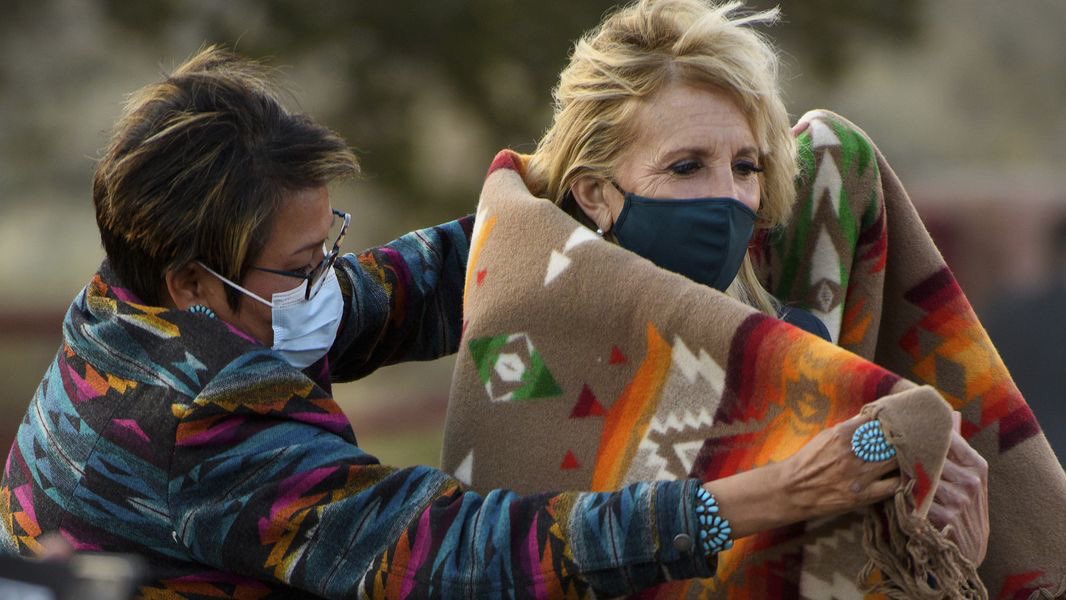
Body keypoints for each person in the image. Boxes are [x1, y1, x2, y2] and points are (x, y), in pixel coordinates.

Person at [0, 44, 899, 599]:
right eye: (305, 265)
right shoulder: (203, 420)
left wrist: (581, 209)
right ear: (195, 281)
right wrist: (757, 499)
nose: (331, 282)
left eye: (330, 246)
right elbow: (450, 556)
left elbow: (413, 286)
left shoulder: (139, 299)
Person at [516, 0, 991, 568]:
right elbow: (511, 561)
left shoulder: (798, 346)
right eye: (687, 166)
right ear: (596, 193)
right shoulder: (536, 359)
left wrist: (956, 556)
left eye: (746, 167)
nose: (728, 196)